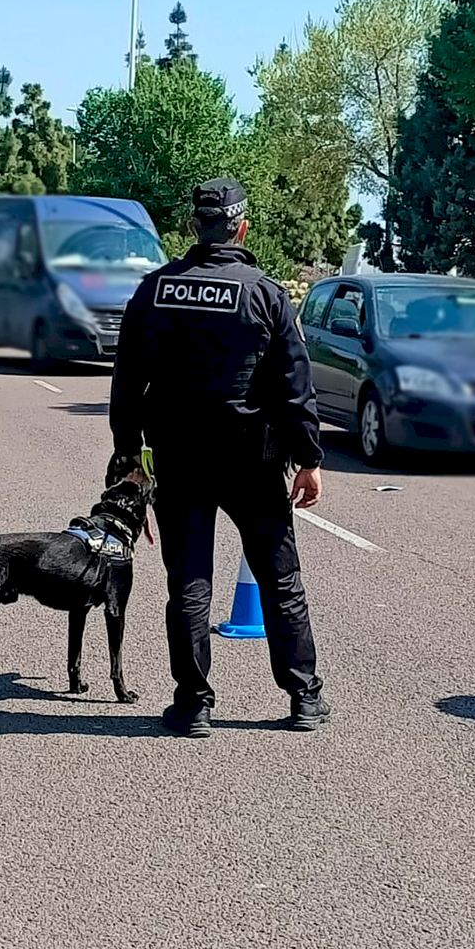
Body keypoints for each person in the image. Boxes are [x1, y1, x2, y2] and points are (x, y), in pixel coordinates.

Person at [108, 178, 330, 738]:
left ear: (195, 227)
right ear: (242, 228)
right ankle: (304, 697)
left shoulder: (155, 290)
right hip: (252, 459)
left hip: (179, 457)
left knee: (189, 581)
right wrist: (308, 457)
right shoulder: (265, 293)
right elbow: (294, 383)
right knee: (280, 579)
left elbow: (127, 380)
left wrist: (127, 452)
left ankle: (193, 705)